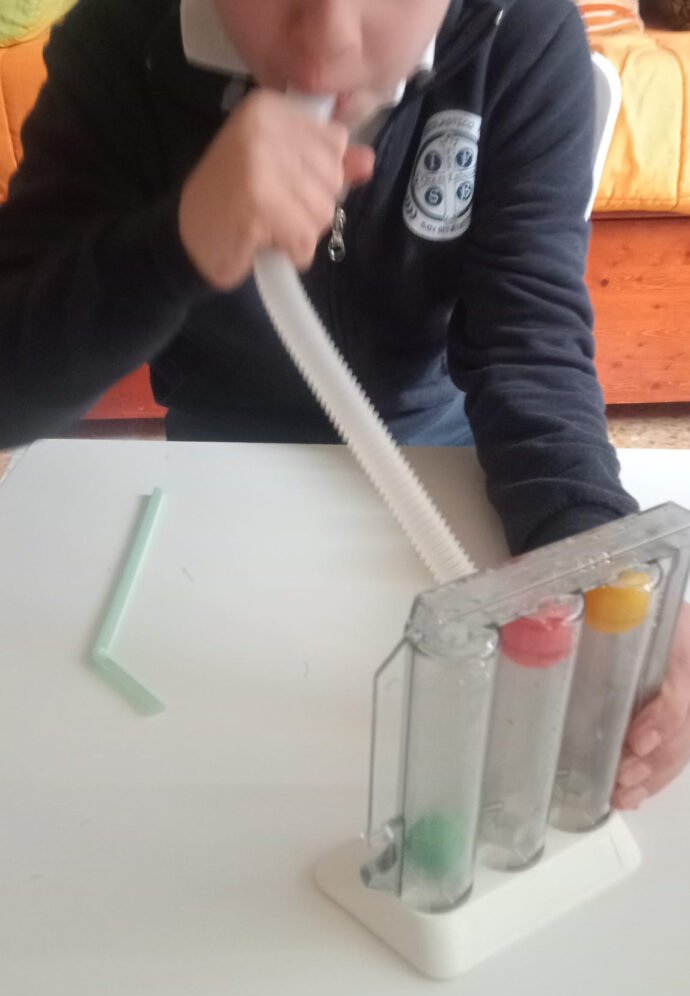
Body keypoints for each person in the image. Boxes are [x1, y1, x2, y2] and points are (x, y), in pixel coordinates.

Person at [0, 0, 688, 806]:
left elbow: (529, 345)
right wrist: (176, 243)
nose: (326, 43)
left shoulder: (519, 34)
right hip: (222, 458)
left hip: (435, 452)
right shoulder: (124, 38)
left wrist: (604, 561)